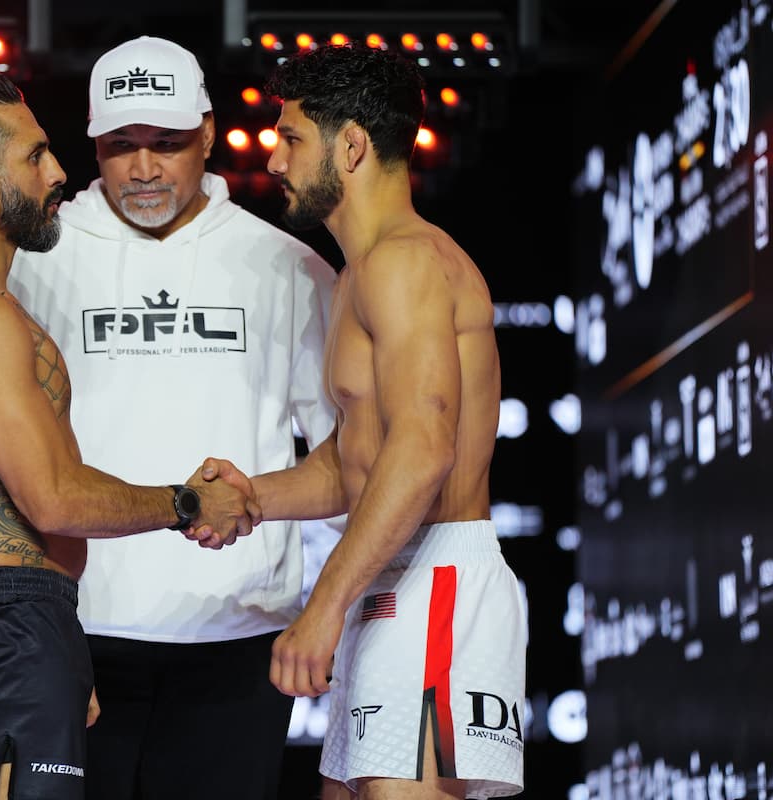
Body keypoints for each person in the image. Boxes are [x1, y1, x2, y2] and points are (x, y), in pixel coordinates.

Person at [0, 36, 340, 800]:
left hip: (237, 639)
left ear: (209, 132)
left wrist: (332, 608)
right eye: (119, 145)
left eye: (166, 144)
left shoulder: (288, 266)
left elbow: (346, 452)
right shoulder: (24, 255)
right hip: (75, 631)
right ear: (91, 140)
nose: (142, 168)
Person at [195, 44, 526, 799]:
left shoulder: (405, 264)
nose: (273, 162)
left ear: (350, 145)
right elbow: (359, 461)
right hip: (392, 576)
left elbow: (422, 450)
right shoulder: (357, 274)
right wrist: (255, 497)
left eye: (291, 139)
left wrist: (323, 605)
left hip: (436, 578)